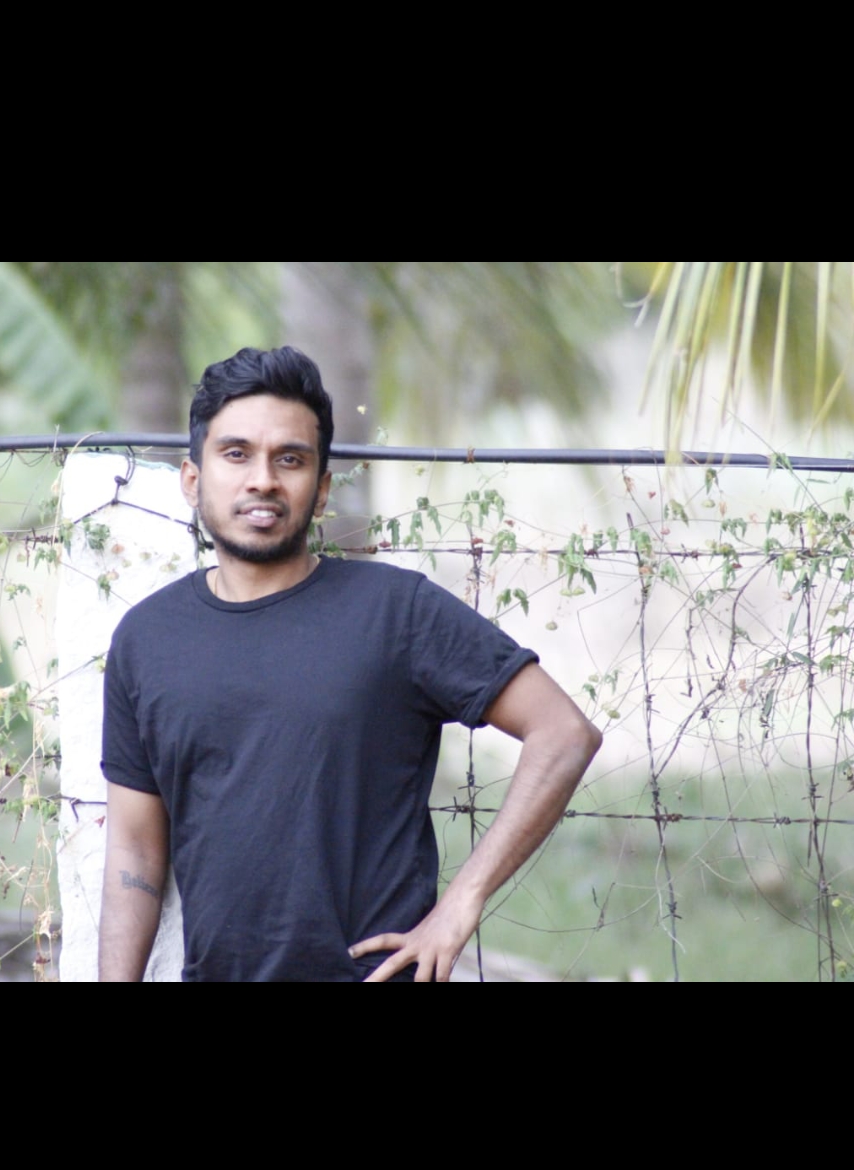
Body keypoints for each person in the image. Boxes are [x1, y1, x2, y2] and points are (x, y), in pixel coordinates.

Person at [99, 346, 601, 983]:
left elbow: (564, 733)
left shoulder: (396, 611)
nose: (263, 479)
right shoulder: (147, 639)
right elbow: (136, 852)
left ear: (322, 489)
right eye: (236, 454)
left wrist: (459, 906)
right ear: (193, 480)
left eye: (290, 459)